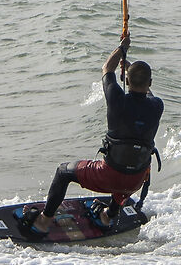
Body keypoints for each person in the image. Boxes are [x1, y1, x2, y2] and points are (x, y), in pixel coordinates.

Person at [23, 36, 162, 236]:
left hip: (109, 175)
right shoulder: (157, 106)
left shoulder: (116, 98)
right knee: (131, 164)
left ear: (126, 80)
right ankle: (108, 215)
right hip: (135, 181)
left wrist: (121, 49)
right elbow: (146, 92)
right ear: (150, 82)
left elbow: (107, 68)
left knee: (63, 173)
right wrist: (131, 69)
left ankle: (44, 220)